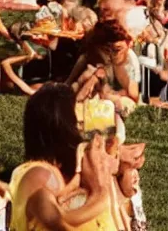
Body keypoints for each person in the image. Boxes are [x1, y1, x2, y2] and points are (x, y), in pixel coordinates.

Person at [8, 83, 115, 231]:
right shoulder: (38, 174)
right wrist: (100, 195)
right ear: (66, 123)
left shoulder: (81, 169)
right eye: (78, 106)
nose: (86, 112)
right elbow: (60, 223)